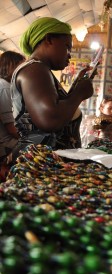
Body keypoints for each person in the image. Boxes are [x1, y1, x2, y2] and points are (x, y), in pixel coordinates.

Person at [11, 17, 93, 160]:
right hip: (39, 163)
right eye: (67, 46)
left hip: (43, 161)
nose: (69, 54)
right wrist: (79, 93)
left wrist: (76, 86)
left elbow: (59, 109)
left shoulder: (40, 70)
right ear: (48, 39)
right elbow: (50, 119)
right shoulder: (35, 70)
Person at [0, 51, 25, 164]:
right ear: (10, 66)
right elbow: (11, 128)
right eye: (20, 67)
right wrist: (27, 140)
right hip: (7, 144)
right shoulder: (5, 87)